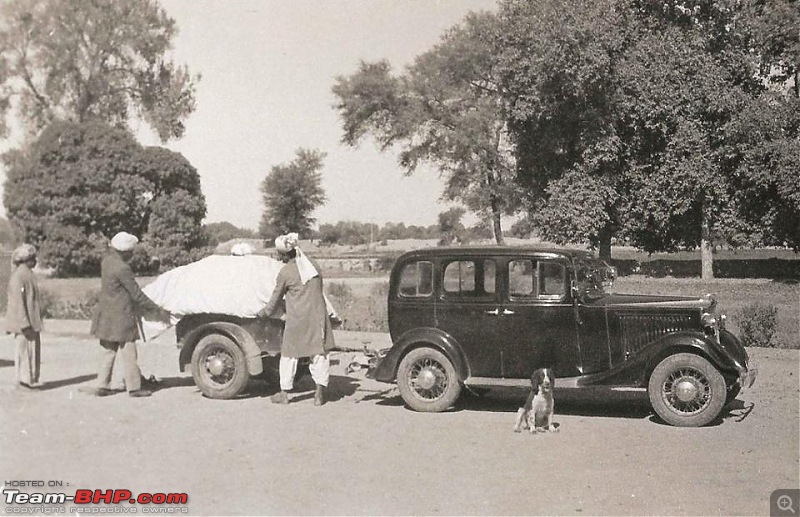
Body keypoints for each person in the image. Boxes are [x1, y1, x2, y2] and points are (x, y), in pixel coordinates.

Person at [258, 232, 335, 406]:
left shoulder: (285, 272)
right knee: (319, 354)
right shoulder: (313, 266)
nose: (278, 257)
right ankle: (319, 394)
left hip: (298, 319)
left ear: (284, 254)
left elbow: (275, 300)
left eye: (279, 254)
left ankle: (284, 394)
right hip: (317, 317)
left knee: (289, 356)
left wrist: (264, 313)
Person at [89, 232, 169, 398]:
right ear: (124, 251)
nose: (132, 255)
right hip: (122, 315)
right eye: (131, 252)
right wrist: (157, 310)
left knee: (108, 350)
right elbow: (136, 294)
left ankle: (102, 385)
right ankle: (134, 387)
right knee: (129, 352)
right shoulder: (123, 268)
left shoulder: (107, 262)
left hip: (106, 314)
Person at [5, 244, 43, 389]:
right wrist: (24, 322)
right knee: (24, 351)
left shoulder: (27, 274)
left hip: (31, 320)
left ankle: (30, 379)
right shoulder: (19, 276)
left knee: (31, 351)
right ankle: (24, 380)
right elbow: (18, 302)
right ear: (26, 259)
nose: (35, 260)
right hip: (24, 323)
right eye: (33, 258)